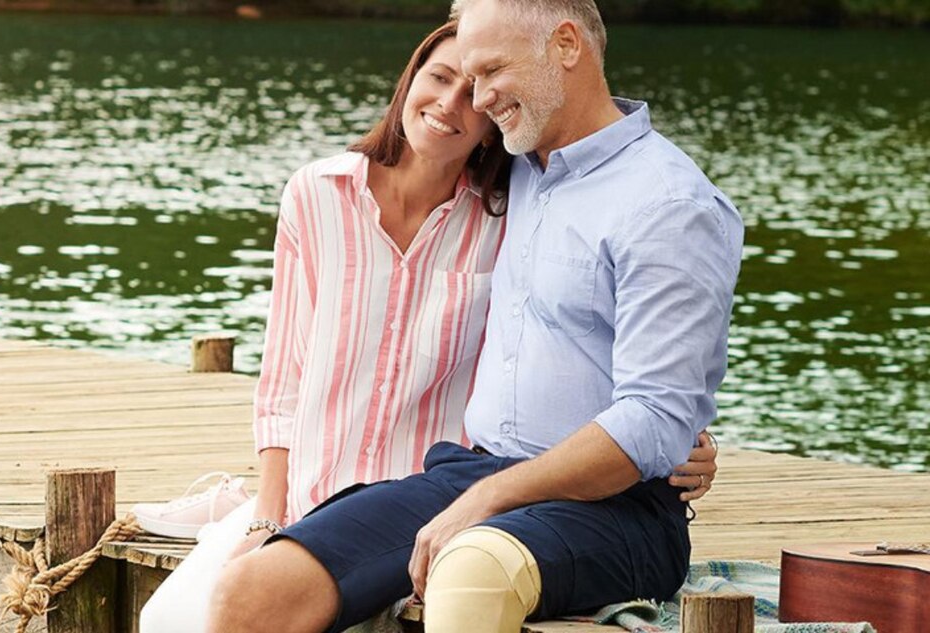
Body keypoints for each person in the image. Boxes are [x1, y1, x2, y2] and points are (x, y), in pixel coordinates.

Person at [136, 16, 723, 632]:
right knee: (251, 592)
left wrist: (675, 435)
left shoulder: (665, 203)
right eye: (461, 75)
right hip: (468, 473)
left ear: (567, 45)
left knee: (468, 570)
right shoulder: (526, 176)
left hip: (612, 507)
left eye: (490, 73)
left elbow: (657, 408)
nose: (477, 97)